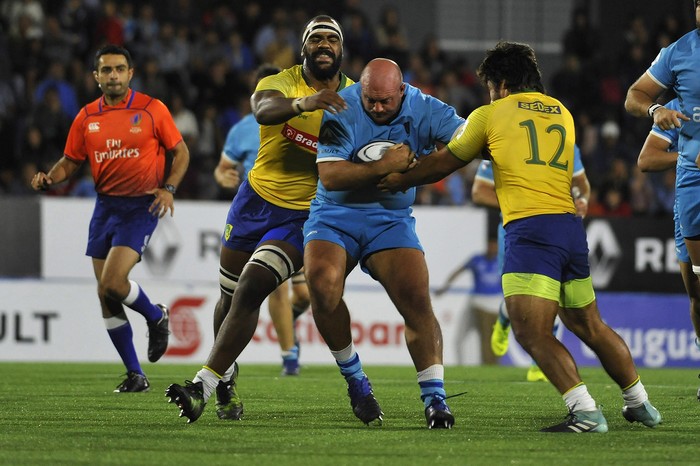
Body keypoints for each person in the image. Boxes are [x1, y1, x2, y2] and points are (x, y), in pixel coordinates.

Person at [378, 41, 661, 433]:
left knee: (530, 330)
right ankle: (639, 402)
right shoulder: (561, 112)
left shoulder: (491, 114)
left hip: (531, 230)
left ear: (503, 84)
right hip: (570, 229)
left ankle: (585, 411)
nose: (489, 94)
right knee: (590, 324)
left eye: (491, 86)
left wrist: (394, 178)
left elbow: (442, 163)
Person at [166, 15, 353, 423]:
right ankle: (226, 383)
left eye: (332, 39)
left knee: (254, 287)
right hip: (252, 202)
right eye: (316, 38)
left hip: (302, 214)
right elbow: (263, 109)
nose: (324, 44)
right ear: (304, 48)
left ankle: (206, 382)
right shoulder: (282, 81)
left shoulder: (356, 97)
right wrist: (305, 103)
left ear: (342, 49)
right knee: (229, 298)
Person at [303, 58, 465, 429]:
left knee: (416, 298)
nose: (375, 107)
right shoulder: (341, 105)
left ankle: (435, 399)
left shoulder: (426, 108)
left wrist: (421, 171)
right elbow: (330, 176)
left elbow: (466, 143)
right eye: (370, 100)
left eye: (384, 102)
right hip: (334, 216)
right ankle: (356, 379)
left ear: (402, 91)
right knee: (322, 286)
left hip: (389, 221)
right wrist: (387, 167)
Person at [30, 44, 190, 392]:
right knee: (106, 296)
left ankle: (156, 315)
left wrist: (170, 188)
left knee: (113, 284)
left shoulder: (151, 110)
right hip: (105, 208)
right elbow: (71, 160)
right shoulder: (87, 117)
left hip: (140, 206)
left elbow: (181, 151)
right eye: (106, 70)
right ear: (96, 76)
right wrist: (50, 178)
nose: (113, 75)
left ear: (130, 74)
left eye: (119, 69)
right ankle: (136, 374)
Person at [625, 2, 700, 398]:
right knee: (696, 291)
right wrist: (656, 111)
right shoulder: (677, 100)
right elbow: (645, 160)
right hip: (693, 188)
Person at [215, 63, 310, 376]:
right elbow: (223, 166)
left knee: (304, 295)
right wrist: (224, 177)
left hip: (295, 212)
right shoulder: (243, 128)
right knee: (272, 289)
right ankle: (289, 356)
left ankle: (284, 330)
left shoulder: (306, 118)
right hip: (254, 211)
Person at [477, 145, 590, 382]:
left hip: (555, 230)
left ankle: (540, 362)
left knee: (553, 296)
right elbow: (479, 191)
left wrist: (582, 200)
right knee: (518, 301)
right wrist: (521, 205)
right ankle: (504, 317)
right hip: (516, 230)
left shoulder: (565, 142)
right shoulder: (504, 140)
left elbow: (581, 185)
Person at [637, 98, 700, 399]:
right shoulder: (680, 108)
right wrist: (688, 155)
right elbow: (646, 160)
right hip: (689, 208)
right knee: (696, 295)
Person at [434, 236, 502, 365]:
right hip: (480, 302)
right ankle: (488, 364)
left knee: (494, 337)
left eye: (495, 245)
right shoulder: (477, 260)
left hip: (496, 303)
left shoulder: (501, 262)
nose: (492, 248)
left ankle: (493, 363)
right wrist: (445, 287)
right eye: (490, 245)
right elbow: (458, 271)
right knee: (485, 335)